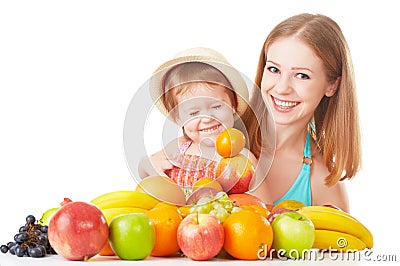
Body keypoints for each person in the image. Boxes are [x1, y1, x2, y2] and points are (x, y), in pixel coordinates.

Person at [243, 13, 361, 212]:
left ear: (332, 85)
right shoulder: (225, 132)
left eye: (301, 75)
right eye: (274, 69)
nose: (282, 88)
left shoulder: (323, 183)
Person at [139, 47, 257, 192]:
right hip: (171, 214)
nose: (207, 119)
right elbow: (145, 170)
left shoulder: (242, 158)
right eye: (194, 113)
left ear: (233, 105)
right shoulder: (177, 148)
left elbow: (258, 203)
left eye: (216, 106)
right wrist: (149, 164)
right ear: (178, 118)